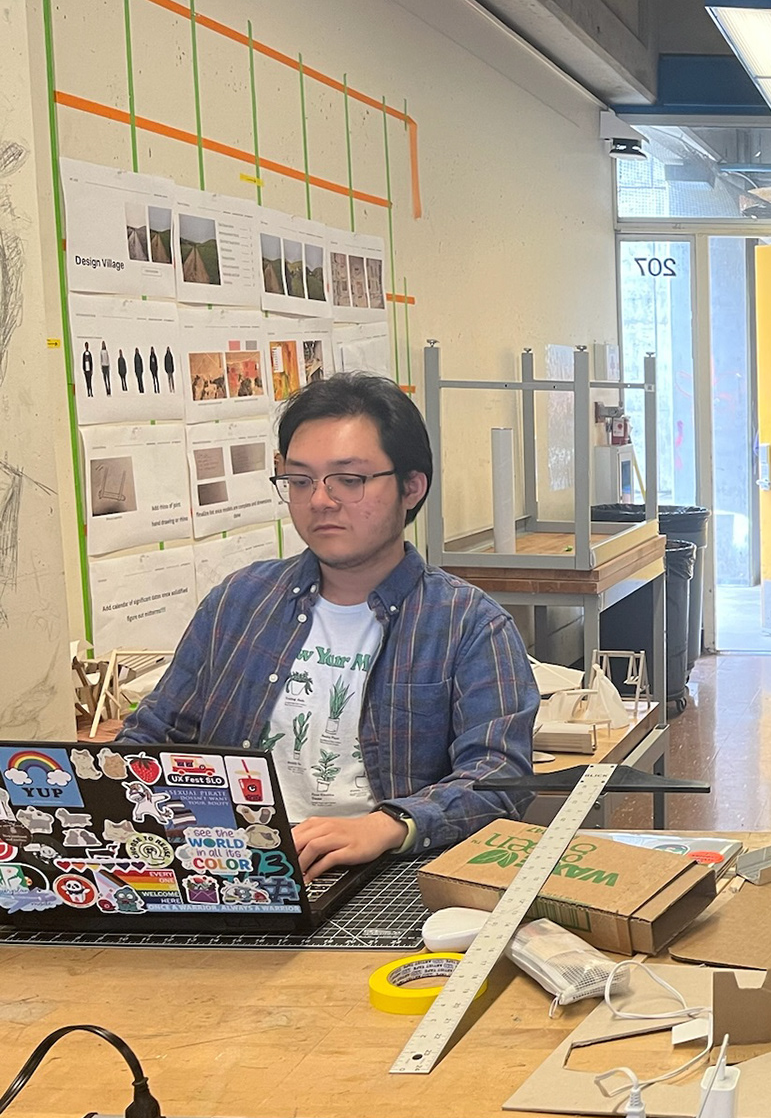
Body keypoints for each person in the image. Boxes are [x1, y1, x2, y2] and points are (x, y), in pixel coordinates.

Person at [121, 373, 537, 877]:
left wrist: (390, 824)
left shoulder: (469, 625)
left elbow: (498, 777)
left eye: (349, 480)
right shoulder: (240, 601)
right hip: (233, 867)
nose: (320, 500)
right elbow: (151, 736)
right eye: (300, 481)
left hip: (385, 878)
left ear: (411, 487)